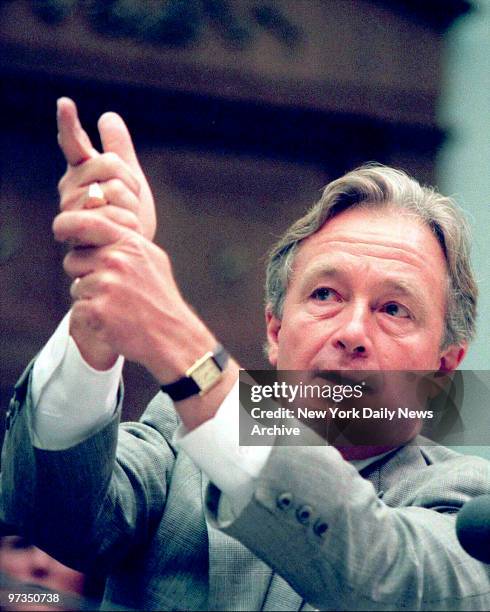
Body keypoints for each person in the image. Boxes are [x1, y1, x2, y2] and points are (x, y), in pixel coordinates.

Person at [1, 97, 489, 611]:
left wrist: (182, 347)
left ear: (441, 369)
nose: (352, 331)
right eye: (325, 295)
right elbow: (54, 515)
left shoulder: (465, 500)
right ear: (275, 332)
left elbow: (390, 577)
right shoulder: (179, 436)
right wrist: (99, 310)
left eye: (393, 308)